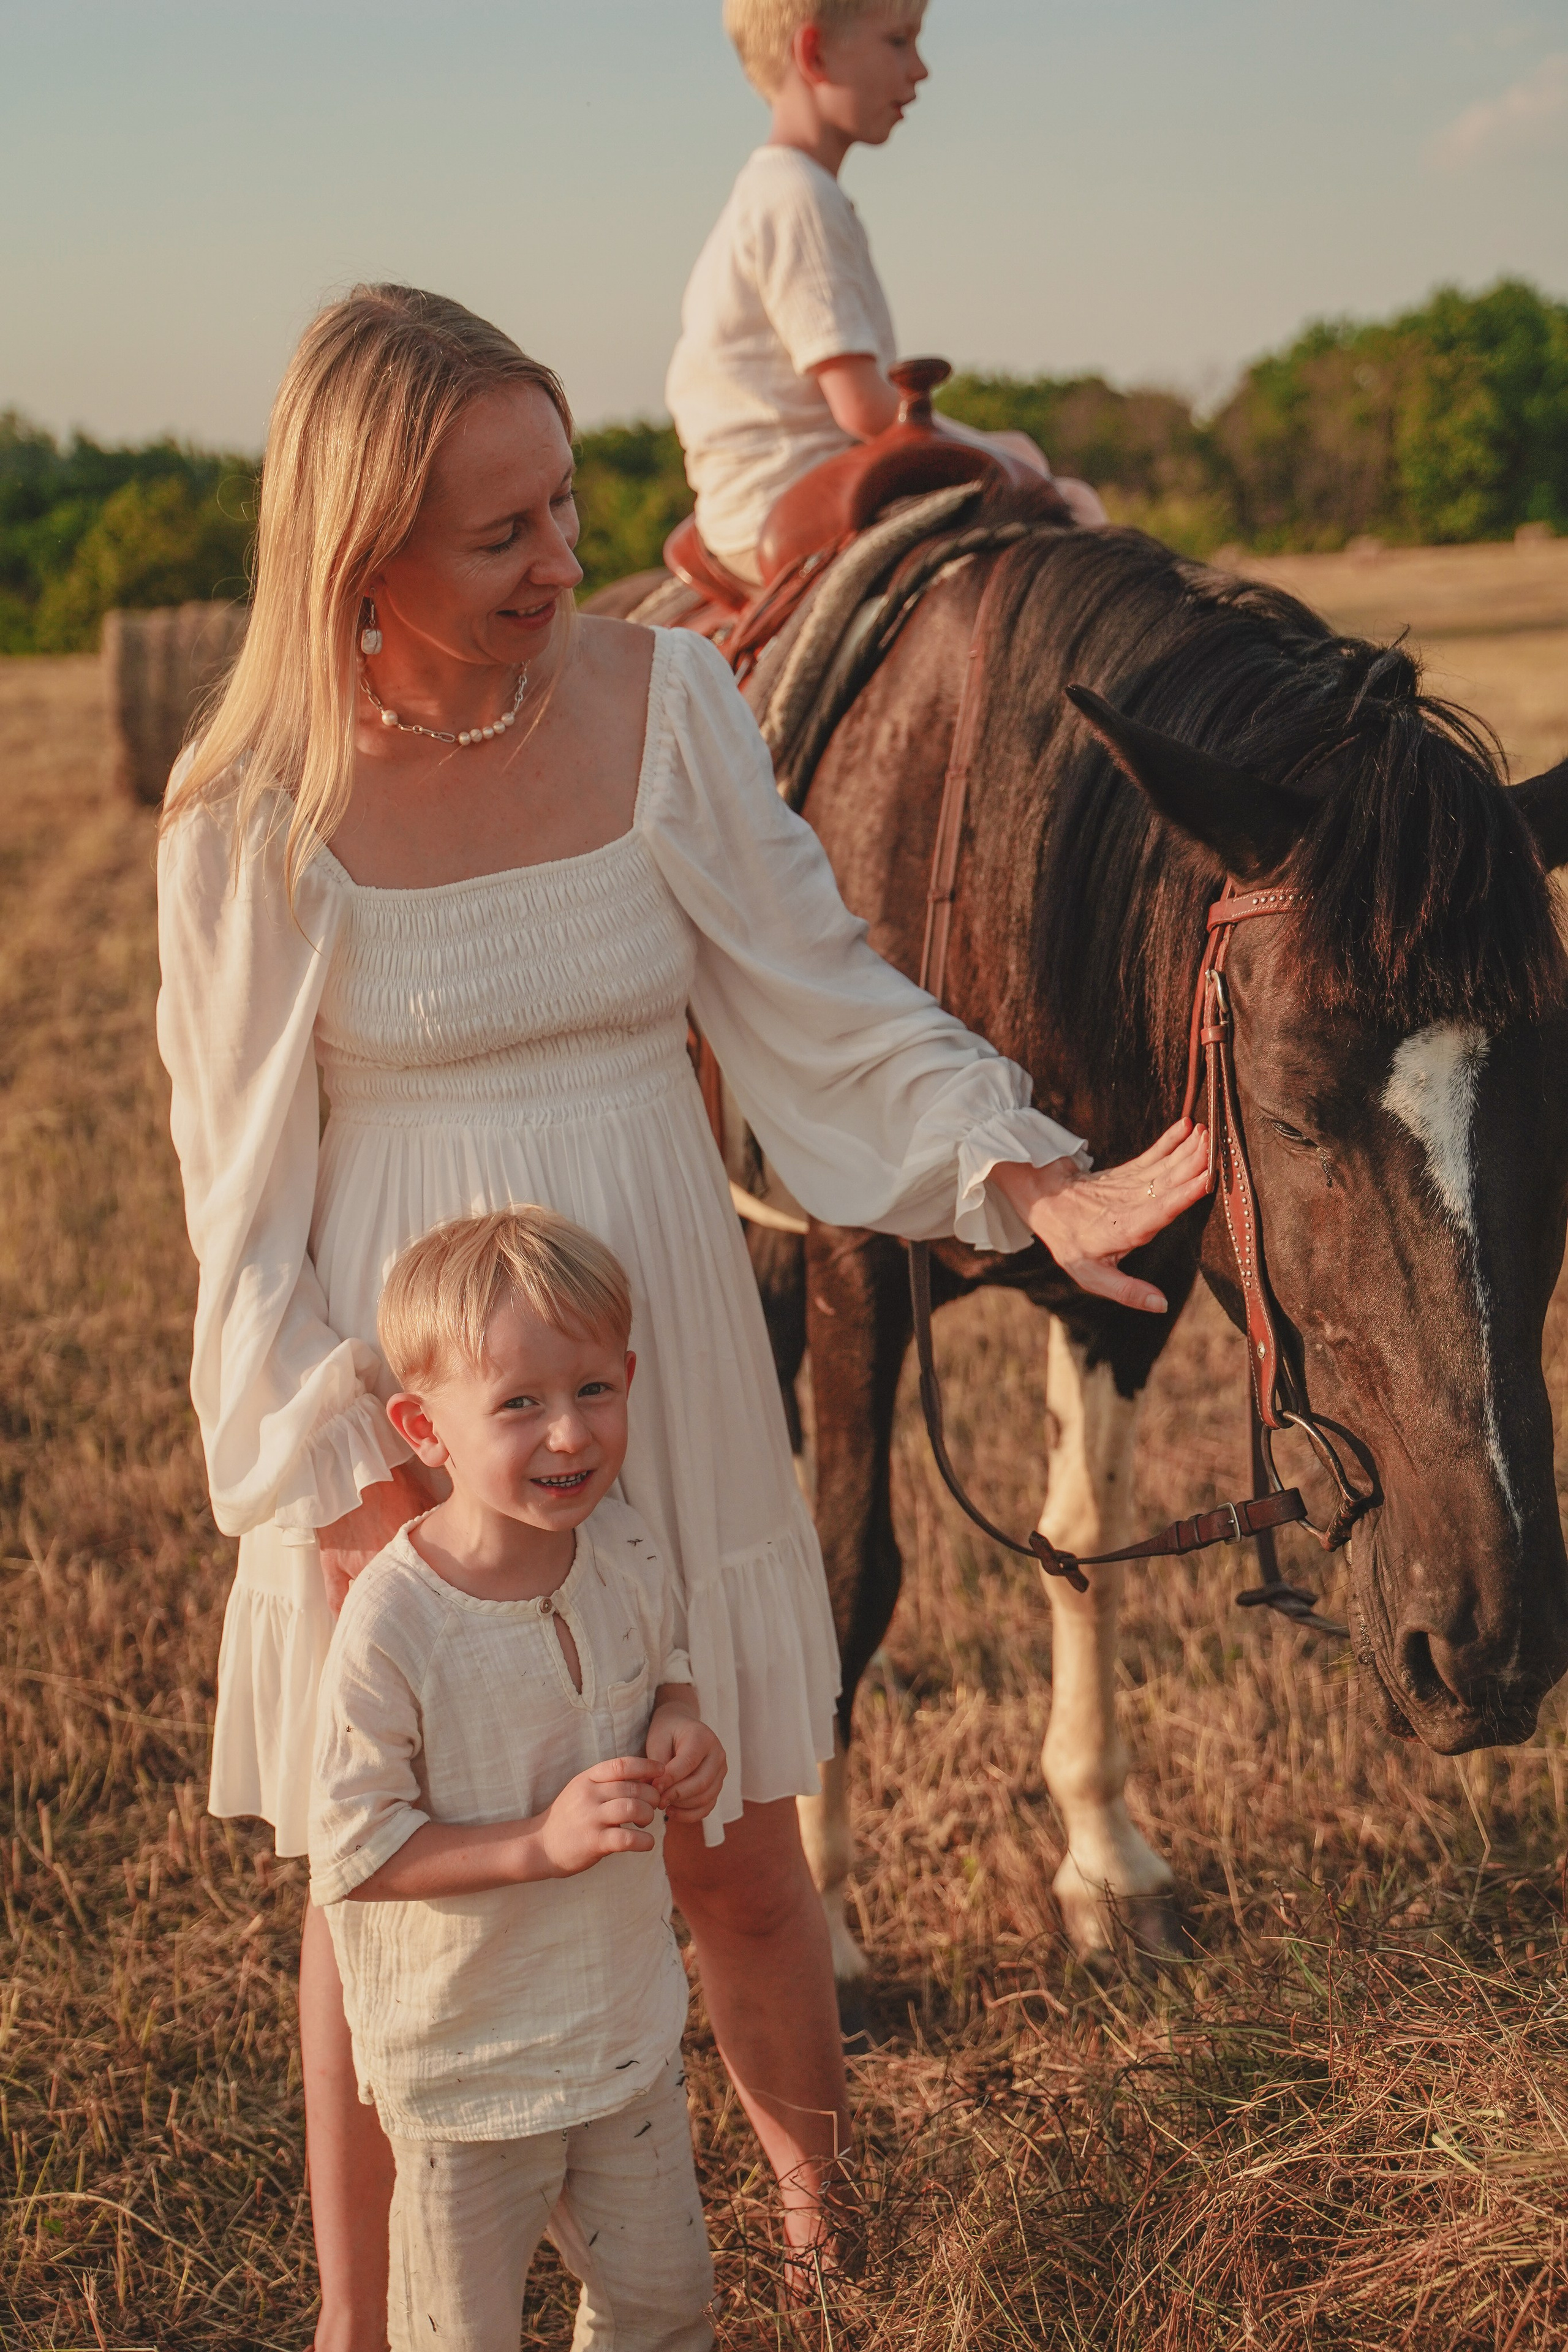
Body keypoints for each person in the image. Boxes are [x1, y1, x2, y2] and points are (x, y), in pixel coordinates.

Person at [156, 282, 1207, 2351]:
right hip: (414, 1404)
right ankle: (364, 2328)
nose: (568, 562)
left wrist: (1017, 1170)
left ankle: (818, 2251)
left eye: (566, 504)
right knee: (387, 1898)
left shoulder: (670, 706)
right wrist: (358, 1499)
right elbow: (241, 1211)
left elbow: (817, 999)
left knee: (732, 1842)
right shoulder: (251, 809)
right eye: (503, 534)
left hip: (655, 1361)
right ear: (360, 552)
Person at [310, 1206, 722, 2352]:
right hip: (467, 2070)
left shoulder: (626, 1551)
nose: (569, 1434)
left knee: (664, 2305)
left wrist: (684, 1726)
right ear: (423, 1428)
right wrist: (539, 1845)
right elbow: (355, 1849)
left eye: (592, 1389)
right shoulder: (396, 1622)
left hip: (622, 2039)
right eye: (519, 1405)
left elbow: (668, 1669)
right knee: (460, 2335)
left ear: (629, 1376)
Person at [665, 0, 1107, 586]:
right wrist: (1000, 455)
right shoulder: (799, 198)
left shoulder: (781, 192)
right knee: (1068, 502)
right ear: (815, 54)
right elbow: (865, 407)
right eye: (899, 41)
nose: (920, 69)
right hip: (787, 498)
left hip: (773, 494)